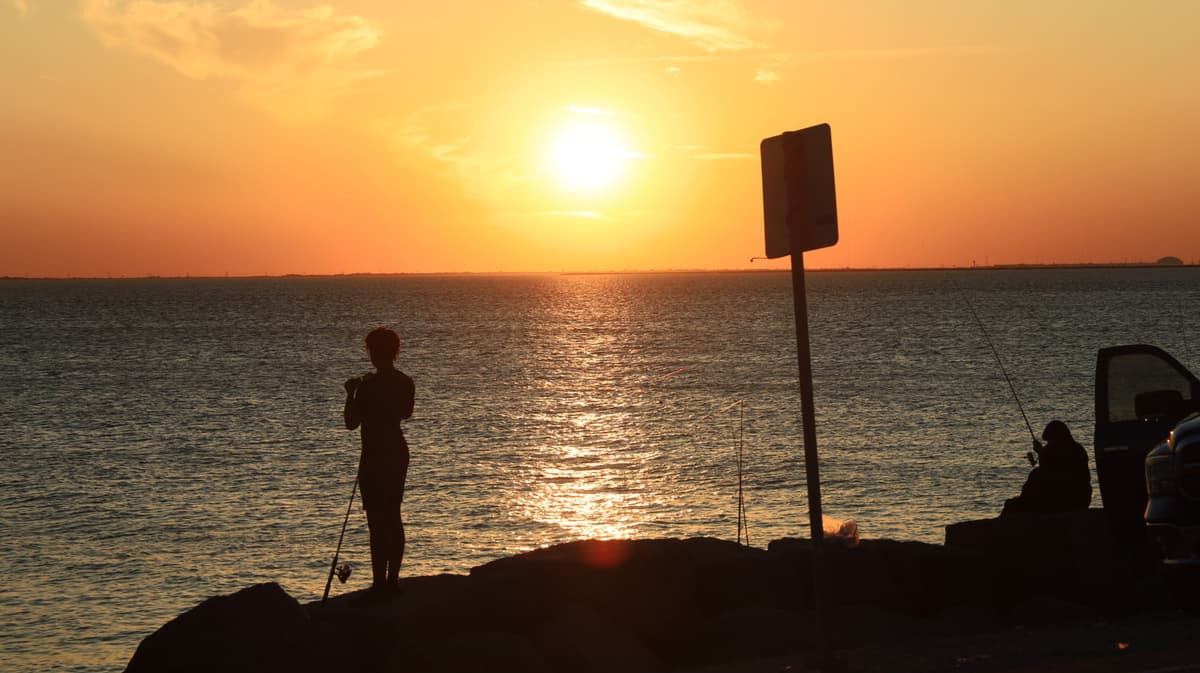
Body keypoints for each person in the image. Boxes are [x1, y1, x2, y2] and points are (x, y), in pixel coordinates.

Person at [344, 327, 415, 602]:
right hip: (396, 452)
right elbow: (406, 412)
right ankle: (392, 582)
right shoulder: (405, 381)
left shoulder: (366, 386)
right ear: (395, 352)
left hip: (373, 455)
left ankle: (379, 584)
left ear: (372, 352)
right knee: (393, 516)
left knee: (376, 520)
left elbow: (351, 423)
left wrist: (351, 393)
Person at [1001, 420, 1092, 516]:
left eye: (1049, 441)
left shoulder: (1055, 451)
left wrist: (1041, 452)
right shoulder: (1078, 449)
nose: (1048, 444)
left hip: (1066, 499)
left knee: (1035, 475)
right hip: (1082, 498)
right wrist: (1042, 452)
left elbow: (1051, 471)